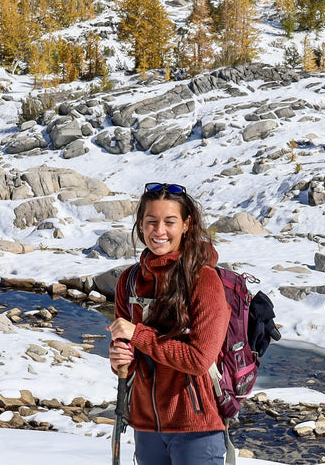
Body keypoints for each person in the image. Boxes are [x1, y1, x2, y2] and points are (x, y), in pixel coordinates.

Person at [109, 182, 231, 465]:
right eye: (151, 221)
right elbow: (129, 356)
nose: (159, 231)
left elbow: (199, 360)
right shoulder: (129, 280)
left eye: (169, 222)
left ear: (187, 224)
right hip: (146, 425)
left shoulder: (204, 280)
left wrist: (139, 334)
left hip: (196, 428)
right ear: (141, 225)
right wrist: (118, 358)